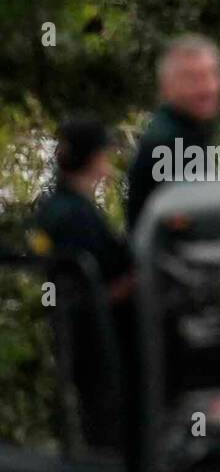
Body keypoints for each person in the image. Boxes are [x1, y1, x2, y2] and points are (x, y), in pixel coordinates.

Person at [31, 118, 133, 449]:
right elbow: (85, 289)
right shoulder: (75, 217)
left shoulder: (55, 208)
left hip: (78, 346)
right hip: (97, 348)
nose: (109, 168)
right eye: (105, 157)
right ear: (93, 159)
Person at [126, 34, 220, 230]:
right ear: (166, 87)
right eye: (193, 78)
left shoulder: (187, 131)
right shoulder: (171, 143)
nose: (208, 87)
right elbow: (195, 226)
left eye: (213, 74)